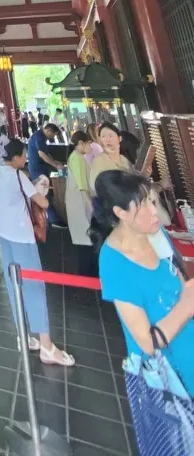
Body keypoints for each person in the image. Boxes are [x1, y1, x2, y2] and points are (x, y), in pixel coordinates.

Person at [94, 169, 194, 396]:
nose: (154, 212)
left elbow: (180, 285)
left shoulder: (155, 234)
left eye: (153, 201)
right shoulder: (113, 262)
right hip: (168, 379)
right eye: (143, 206)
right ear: (121, 212)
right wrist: (187, 307)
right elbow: (148, 343)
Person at [0, 139, 75, 366]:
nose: (25, 159)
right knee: (34, 287)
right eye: (23, 156)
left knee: (13, 284)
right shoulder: (19, 176)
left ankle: (23, 335)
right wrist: (43, 190)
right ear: (17, 157)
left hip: (5, 235)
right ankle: (46, 345)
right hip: (22, 237)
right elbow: (44, 204)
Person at [65, 131, 97, 276]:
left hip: (77, 200)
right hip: (80, 201)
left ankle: (86, 272)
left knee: (83, 238)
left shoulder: (76, 156)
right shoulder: (78, 158)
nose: (91, 145)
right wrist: (91, 205)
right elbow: (82, 185)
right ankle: (86, 274)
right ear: (81, 143)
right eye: (89, 142)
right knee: (85, 237)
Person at [89, 122, 132, 193]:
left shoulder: (124, 159)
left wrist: (144, 174)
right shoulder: (99, 161)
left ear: (119, 138)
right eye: (103, 136)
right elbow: (95, 186)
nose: (107, 140)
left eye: (110, 136)